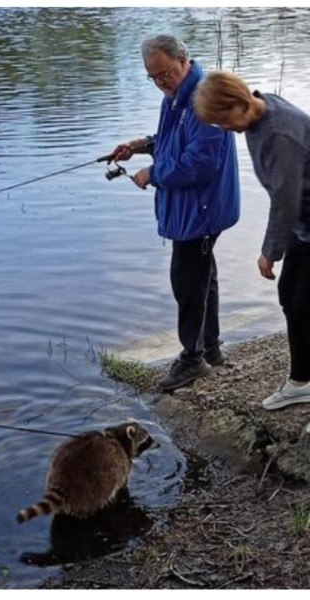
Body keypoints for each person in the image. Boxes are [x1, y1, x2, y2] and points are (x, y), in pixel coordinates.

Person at [107, 35, 240, 392]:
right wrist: (141, 146)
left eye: (165, 73)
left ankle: (193, 359)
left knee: (187, 280)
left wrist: (153, 174)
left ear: (183, 59)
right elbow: (175, 141)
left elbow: (199, 163)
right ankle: (210, 349)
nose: (160, 82)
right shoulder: (177, 95)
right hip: (194, 207)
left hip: (202, 207)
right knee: (202, 275)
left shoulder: (204, 98)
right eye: (153, 77)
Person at [195, 71, 310, 414]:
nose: (223, 128)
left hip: (301, 216)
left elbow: (285, 201)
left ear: (237, 103)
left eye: (222, 120)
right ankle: (301, 382)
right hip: (304, 224)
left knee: (306, 305)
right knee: (291, 297)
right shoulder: (259, 110)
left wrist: (269, 252)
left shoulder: (279, 133)